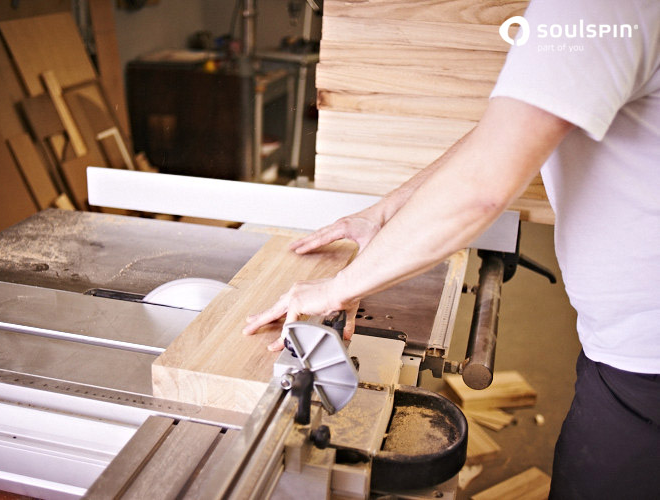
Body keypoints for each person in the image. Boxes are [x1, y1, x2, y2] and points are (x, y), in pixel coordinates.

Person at [244, 0, 659, 497]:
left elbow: (483, 184)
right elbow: (497, 137)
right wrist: (383, 214)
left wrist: (337, 288)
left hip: (646, 368)